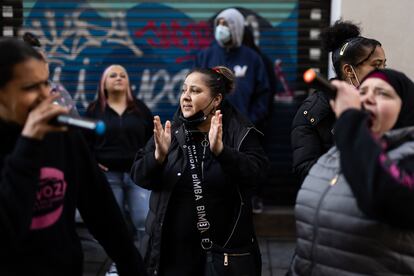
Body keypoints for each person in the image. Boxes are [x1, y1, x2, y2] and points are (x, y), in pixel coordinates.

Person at [0, 37, 147, 275]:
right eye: (30, 87)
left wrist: (131, 263)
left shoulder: (62, 133)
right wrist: (28, 143)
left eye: (45, 83)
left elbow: (99, 205)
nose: (44, 96)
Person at [131, 66, 268, 276]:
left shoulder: (240, 133)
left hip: (220, 256)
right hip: (170, 256)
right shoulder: (171, 131)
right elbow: (139, 175)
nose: (186, 97)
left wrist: (222, 152)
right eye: (184, 90)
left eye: (195, 91)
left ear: (216, 100)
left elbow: (258, 175)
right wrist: (157, 158)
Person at [289, 68, 414, 275]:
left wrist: (349, 118)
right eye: (362, 93)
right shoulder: (334, 155)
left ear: (407, 107)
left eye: (382, 93)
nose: (367, 100)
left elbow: (387, 196)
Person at [291, 20, 387, 183]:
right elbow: (306, 169)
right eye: (376, 66)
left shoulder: (389, 103)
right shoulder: (313, 112)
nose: (384, 73)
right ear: (349, 71)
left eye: (385, 65)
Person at [85, 65, 153, 275]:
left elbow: (152, 140)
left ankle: (144, 263)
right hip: (108, 176)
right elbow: (83, 142)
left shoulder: (140, 109)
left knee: (144, 222)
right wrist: (92, 162)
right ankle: (120, 264)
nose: (118, 78)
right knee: (114, 225)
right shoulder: (94, 110)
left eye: (123, 75)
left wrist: (148, 162)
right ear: (103, 83)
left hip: (137, 175)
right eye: (112, 75)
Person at [194, 8, 271, 127]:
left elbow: (262, 95)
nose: (220, 28)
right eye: (218, 23)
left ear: (237, 27)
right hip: (209, 129)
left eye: (225, 24)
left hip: (241, 129)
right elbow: (194, 90)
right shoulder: (205, 56)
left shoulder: (252, 58)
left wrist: (249, 122)